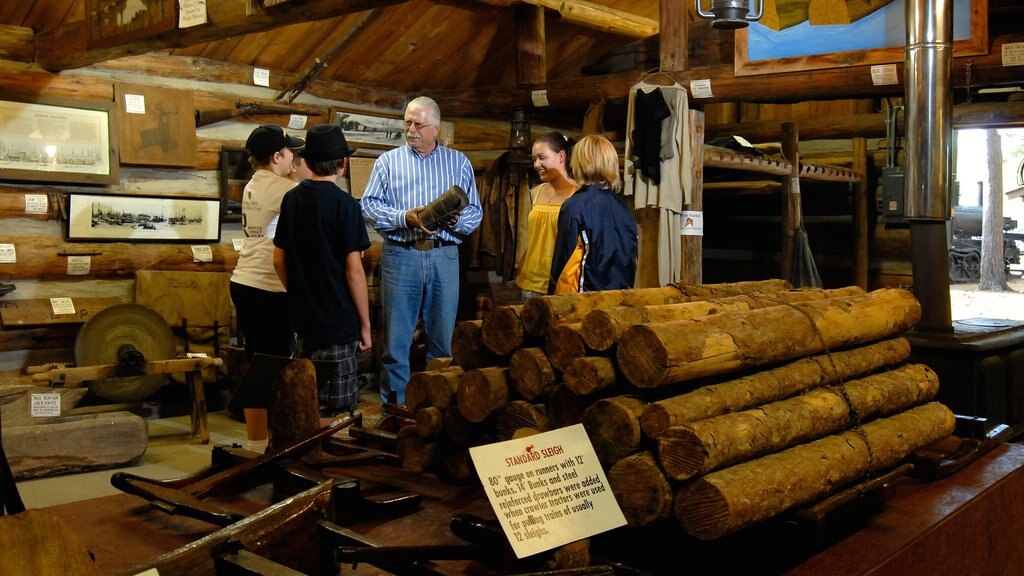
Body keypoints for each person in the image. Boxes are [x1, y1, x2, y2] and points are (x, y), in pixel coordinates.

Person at [361, 96, 482, 405]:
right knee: (396, 341)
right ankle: (396, 408)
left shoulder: (459, 163)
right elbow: (369, 207)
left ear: (436, 129)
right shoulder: (388, 162)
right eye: (407, 123)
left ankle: (435, 408)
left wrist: (452, 221)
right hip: (401, 255)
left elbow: (474, 215)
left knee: (442, 340)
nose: (411, 130)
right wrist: (405, 217)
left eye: (418, 124)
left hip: (445, 255)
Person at [273, 124, 372, 422]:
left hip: (303, 319)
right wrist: (365, 326)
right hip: (338, 322)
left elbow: (279, 260)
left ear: (309, 161)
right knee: (337, 411)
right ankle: (326, 463)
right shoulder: (346, 206)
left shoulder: (292, 199)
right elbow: (354, 272)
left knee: (306, 398)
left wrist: (299, 293)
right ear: (342, 164)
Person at [229, 124, 303, 452]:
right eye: (290, 154)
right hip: (269, 285)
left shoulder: (253, 184)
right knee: (273, 367)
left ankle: (256, 442)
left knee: (257, 363)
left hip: (244, 280)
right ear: (277, 156)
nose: (293, 160)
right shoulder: (287, 190)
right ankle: (272, 443)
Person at [549, 134, 638, 294]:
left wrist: (552, 299)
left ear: (579, 163)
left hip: (586, 303)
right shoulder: (623, 207)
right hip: (620, 299)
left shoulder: (575, 206)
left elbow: (563, 264)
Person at [515, 132, 577, 301]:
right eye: (534, 159)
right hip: (528, 283)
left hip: (559, 285)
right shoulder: (536, 192)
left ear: (561, 156)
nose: (537, 164)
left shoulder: (578, 195)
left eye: (542, 158)